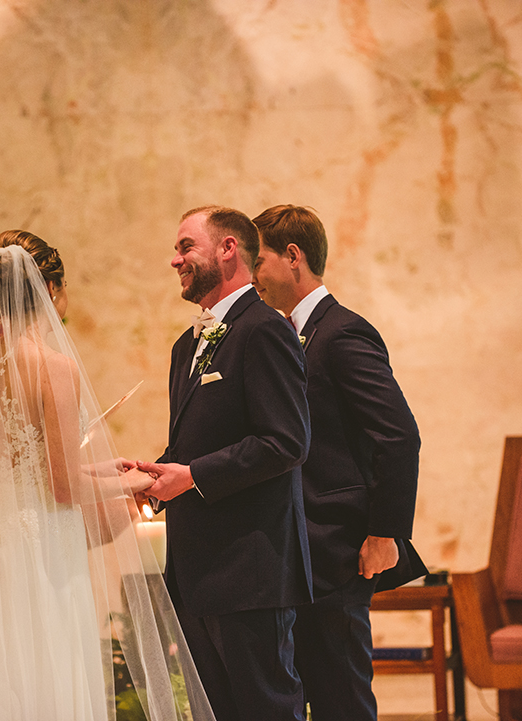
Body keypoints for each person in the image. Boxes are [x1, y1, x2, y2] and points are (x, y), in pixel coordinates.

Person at [0, 238, 217, 721]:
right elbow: (63, 491)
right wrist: (134, 485)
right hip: (44, 545)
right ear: (44, 294)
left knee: (7, 675)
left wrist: (106, 468)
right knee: (54, 669)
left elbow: (25, 471)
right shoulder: (53, 368)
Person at [137, 206, 313, 721]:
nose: (175, 260)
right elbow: (195, 447)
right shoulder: (184, 346)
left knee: (267, 711)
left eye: (186, 246)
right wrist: (150, 475)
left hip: (251, 571)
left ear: (228, 248)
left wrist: (190, 477)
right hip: (197, 572)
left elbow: (286, 442)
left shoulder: (264, 329)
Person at [251, 204, 426, 721]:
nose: (254, 277)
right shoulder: (285, 335)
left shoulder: (341, 332)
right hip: (296, 550)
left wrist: (384, 532)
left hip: (337, 549)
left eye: (259, 261)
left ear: (293, 256)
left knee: (341, 700)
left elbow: (398, 436)